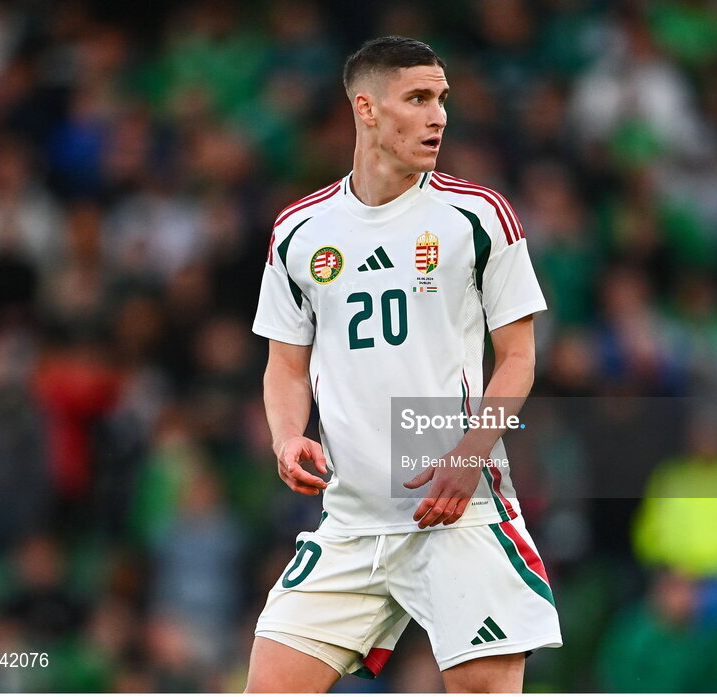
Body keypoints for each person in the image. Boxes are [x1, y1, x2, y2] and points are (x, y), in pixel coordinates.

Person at [244, 36, 561, 692]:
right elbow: (283, 364)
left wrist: (470, 453)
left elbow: (520, 358)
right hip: (353, 519)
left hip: (459, 511)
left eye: (442, 99)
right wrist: (285, 435)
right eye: (418, 99)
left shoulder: (476, 216)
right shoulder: (300, 231)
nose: (438, 116)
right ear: (366, 108)